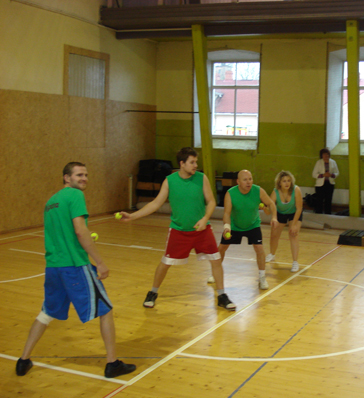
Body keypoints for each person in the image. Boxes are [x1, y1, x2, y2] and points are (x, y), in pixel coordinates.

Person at [16, 162, 136, 378]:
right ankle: (112, 364)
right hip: (74, 266)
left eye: (86, 175)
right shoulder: (75, 195)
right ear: (66, 177)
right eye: (79, 175)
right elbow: (80, 231)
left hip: (53, 267)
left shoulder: (51, 202)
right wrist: (99, 262)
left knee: (46, 313)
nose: (84, 179)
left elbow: (62, 232)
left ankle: (23, 360)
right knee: (106, 310)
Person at [116, 147, 236, 311]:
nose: (196, 165)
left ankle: (222, 296)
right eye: (192, 162)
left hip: (202, 231)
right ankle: (153, 292)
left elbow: (211, 201)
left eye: (196, 162)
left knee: (216, 260)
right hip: (179, 231)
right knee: (165, 263)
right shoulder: (169, 181)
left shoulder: (201, 178)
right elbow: (155, 204)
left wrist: (204, 218)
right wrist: (132, 216)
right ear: (182, 163)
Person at [218, 170, 278, 290]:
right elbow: (226, 213)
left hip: (253, 225)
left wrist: (274, 217)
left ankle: (262, 277)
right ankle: (215, 273)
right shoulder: (230, 193)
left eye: (250, 179)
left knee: (259, 248)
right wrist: (227, 228)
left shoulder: (258, 190)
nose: (248, 182)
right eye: (245, 180)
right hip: (235, 226)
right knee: (221, 248)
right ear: (238, 181)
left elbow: (271, 204)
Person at [264, 171, 303, 272]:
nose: (287, 183)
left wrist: (293, 225)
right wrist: (264, 208)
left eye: (289, 181)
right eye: (284, 181)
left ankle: (295, 262)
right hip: (280, 213)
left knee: (293, 234)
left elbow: (299, 208)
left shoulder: (296, 190)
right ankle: (272, 254)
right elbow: (269, 210)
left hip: (294, 213)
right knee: (274, 234)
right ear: (279, 183)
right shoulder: (275, 192)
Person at [312, 148, 339, 214]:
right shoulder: (318, 162)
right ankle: (319, 214)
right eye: (324, 154)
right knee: (319, 201)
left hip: (330, 184)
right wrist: (323, 175)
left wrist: (331, 175)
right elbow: (314, 174)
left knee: (328, 200)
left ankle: (328, 214)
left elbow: (337, 173)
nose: (326, 156)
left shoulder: (333, 162)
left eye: (327, 154)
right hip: (320, 185)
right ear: (321, 155)